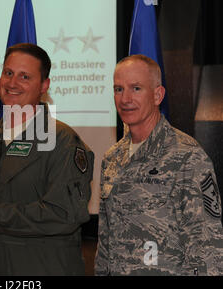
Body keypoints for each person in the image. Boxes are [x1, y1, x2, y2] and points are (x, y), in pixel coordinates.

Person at [0, 43, 94, 275]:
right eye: (8, 73)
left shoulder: (63, 141)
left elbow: (64, 214)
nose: (12, 83)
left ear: (44, 85)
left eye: (25, 76)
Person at [95, 54, 223, 275]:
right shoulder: (112, 158)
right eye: (118, 89)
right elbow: (105, 241)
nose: (125, 99)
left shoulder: (187, 156)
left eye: (136, 88)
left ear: (157, 95)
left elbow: (207, 248)